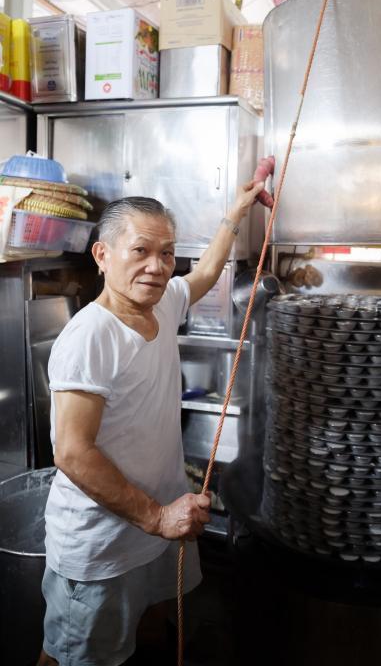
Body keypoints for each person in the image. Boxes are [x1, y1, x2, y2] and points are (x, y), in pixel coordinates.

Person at [37, 179, 264, 666]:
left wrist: (236, 213)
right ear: (102, 254)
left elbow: (202, 273)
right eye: (141, 250)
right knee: (74, 657)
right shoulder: (89, 337)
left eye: (167, 253)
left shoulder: (160, 302)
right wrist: (157, 517)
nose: (157, 267)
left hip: (155, 528)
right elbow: (72, 452)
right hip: (104, 544)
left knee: (148, 633)